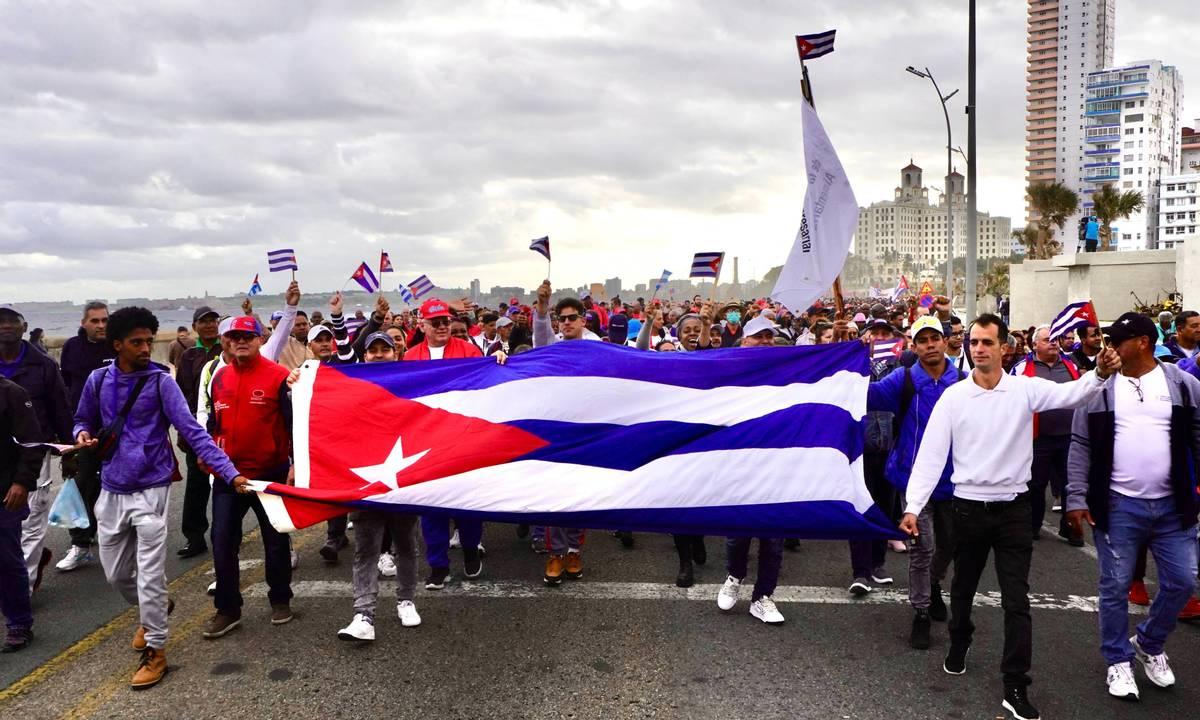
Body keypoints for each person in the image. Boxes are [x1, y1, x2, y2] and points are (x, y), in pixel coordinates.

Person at [900, 313, 1120, 720]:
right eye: (973, 342)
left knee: (1017, 600)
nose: (978, 348)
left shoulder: (1025, 388)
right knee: (962, 589)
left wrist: (1101, 375)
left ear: (1005, 347)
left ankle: (1015, 684)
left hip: (1015, 510)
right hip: (968, 508)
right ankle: (960, 639)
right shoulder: (954, 397)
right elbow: (931, 456)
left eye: (987, 342)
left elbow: (1071, 395)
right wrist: (913, 507)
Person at [74, 306, 248, 689]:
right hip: (111, 488)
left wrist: (230, 473)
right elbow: (82, 418)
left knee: (150, 574)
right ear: (116, 344)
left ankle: (156, 650)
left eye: (149, 341)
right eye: (136, 342)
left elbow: (194, 431)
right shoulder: (97, 380)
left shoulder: (160, 382)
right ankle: (154, 607)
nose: (145, 348)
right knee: (117, 574)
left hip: (152, 487)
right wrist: (81, 434)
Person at [1065, 311, 1200, 701]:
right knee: (1114, 587)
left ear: (1142, 343)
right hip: (1118, 506)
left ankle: (1149, 643)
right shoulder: (1099, 389)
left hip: (1174, 507)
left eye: (1116, 341)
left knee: (1183, 581)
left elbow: (1197, 434)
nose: (1108, 348)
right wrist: (1076, 497)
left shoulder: (1182, 384)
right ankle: (1118, 660)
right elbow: (1080, 445)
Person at [867, 316, 966, 650]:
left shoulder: (963, 381)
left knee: (949, 546)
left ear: (945, 341)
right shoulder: (904, 379)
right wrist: (847, 363)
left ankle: (934, 584)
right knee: (923, 549)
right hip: (913, 482)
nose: (930, 345)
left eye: (934, 338)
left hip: (954, 482)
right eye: (922, 340)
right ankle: (921, 612)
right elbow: (870, 395)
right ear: (914, 346)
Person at [203, 316, 295, 639]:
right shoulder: (219, 377)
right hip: (229, 475)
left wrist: (295, 464)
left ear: (260, 340)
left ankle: (280, 599)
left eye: (247, 336)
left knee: (276, 540)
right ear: (227, 341)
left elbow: (294, 424)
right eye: (235, 337)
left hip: (270, 474)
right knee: (222, 540)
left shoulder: (279, 376)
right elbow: (214, 421)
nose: (241, 342)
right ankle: (228, 609)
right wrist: (208, 451)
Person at [333, 331, 424, 641]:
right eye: (374, 350)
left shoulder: (413, 382)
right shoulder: (351, 386)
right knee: (366, 550)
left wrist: (497, 361)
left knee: (406, 546)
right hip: (366, 482)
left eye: (386, 349)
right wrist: (298, 381)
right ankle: (364, 614)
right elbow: (322, 403)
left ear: (396, 354)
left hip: (404, 480)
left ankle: (406, 600)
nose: (380, 354)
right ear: (365, 355)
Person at [405, 298, 485, 590]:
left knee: (468, 503)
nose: (442, 326)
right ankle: (438, 565)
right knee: (431, 507)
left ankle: (470, 549)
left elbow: (486, 383)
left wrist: (500, 358)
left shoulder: (469, 350)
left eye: (446, 321)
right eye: (435, 322)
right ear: (422, 325)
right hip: (427, 442)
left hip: (463, 439)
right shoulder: (410, 357)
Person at [716, 314, 785, 624]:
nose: (766, 341)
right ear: (744, 341)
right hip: (739, 463)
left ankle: (763, 597)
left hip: (777, 463)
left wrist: (842, 343)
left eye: (770, 336)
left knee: (774, 536)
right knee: (737, 531)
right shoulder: (728, 367)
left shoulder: (789, 368)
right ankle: (735, 576)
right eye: (759, 336)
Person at [0, 305, 72, 593]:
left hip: (34, 450)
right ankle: (26, 563)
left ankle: (23, 588)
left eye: (12, 321)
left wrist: (69, 450)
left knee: (31, 519)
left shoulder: (43, 365)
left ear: (25, 327)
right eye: (0, 322)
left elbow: (60, 407)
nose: (6, 326)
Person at [532, 281, 600, 585]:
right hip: (555, 432)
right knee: (555, 495)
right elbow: (540, 335)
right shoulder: (553, 346)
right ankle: (556, 553)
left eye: (573, 318)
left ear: (583, 320)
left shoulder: (597, 347)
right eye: (562, 319)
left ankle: (574, 551)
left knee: (580, 496)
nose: (567, 323)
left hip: (587, 433)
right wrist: (542, 305)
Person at [56, 301, 116, 572]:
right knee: (80, 486)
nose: (101, 325)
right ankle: (80, 544)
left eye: (105, 320)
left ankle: (118, 541)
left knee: (112, 488)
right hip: (83, 431)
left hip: (115, 431)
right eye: (95, 321)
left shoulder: (116, 345)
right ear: (84, 323)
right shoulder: (72, 347)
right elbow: (66, 388)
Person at [1012, 326, 1083, 545]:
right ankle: (1033, 526)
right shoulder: (1022, 368)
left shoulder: (1070, 364)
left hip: (1068, 437)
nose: (1053, 342)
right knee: (1036, 485)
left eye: (1055, 339)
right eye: (1047, 339)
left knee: (1070, 483)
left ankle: (1070, 528)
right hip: (1037, 439)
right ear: (1034, 345)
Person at [0, 377, 45, 653]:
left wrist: (22, 482)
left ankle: (19, 622)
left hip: (5, 492)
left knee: (6, 560)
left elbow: (32, 443)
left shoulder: (12, 393)